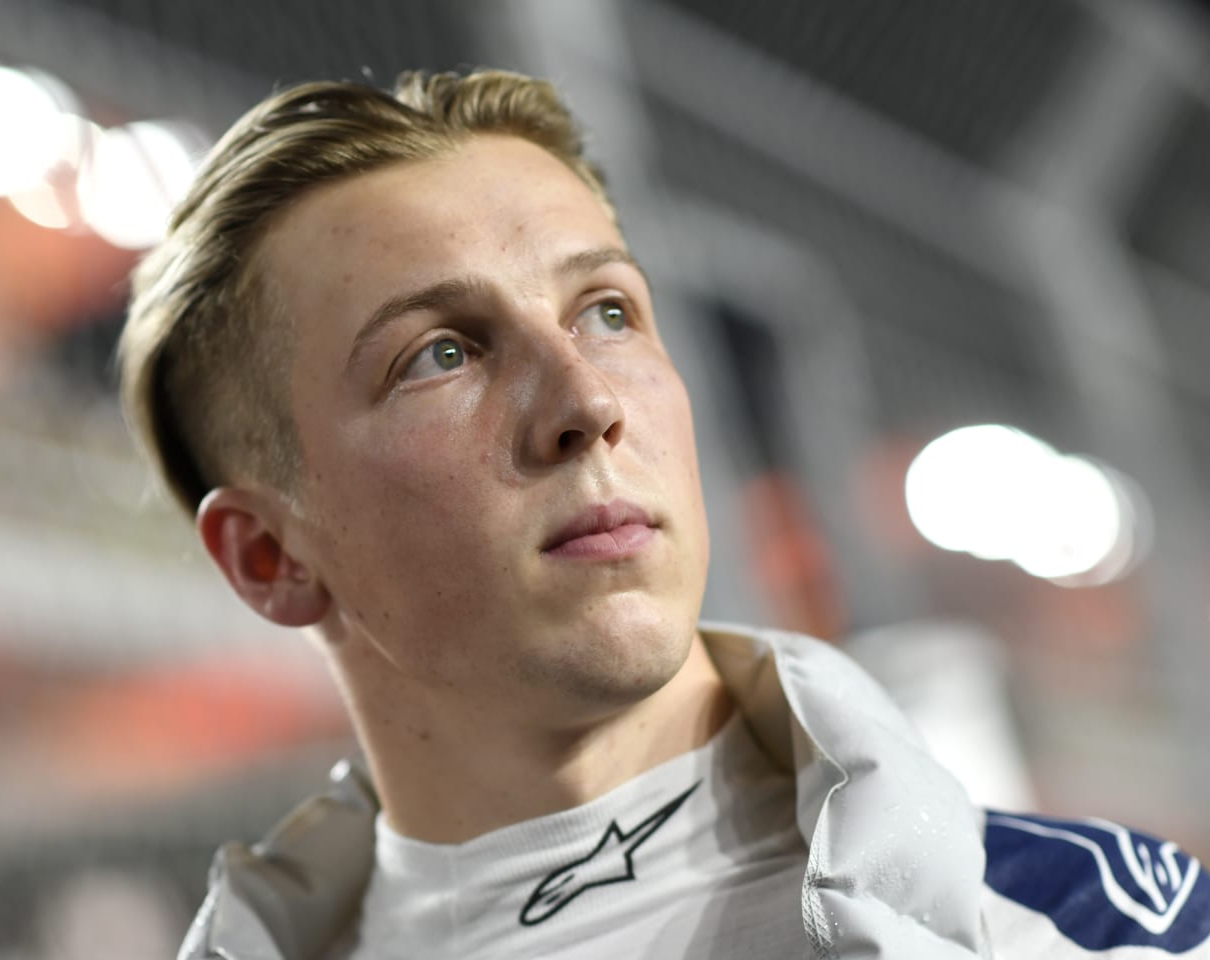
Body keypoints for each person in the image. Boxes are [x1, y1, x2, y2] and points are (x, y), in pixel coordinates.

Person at [118, 69, 1210, 959]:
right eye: (438, 356)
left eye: (607, 312)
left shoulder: (1090, 932)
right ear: (269, 554)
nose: (586, 404)